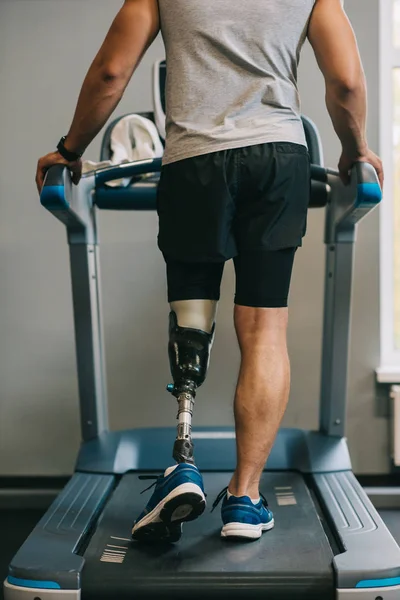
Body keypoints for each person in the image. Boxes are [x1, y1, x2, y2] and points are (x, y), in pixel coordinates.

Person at [36, 0, 383, 543]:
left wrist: (69, 150)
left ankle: (183, 462)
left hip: (193, 161)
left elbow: (111, 70)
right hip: (278, 158)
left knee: (191, 317)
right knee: (265, 330)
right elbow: (345, 82)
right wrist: (354, 150)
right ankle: (244, 499)